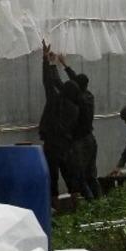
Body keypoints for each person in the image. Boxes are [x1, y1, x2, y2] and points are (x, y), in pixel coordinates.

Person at [39, 41, 82, 204]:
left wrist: (46, 61)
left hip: (52, 143)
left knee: (52, 174)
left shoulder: (55, 101)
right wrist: (54, 65)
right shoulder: (75, 107)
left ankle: (54, 204)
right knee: (69, 173)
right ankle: (76, 202)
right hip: (66, 143)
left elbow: (48, 83)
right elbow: (57, 84)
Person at [57, 53, 101, 199]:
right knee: (91, 175)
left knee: (80, 175)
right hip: (91, 139)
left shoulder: (76, 102)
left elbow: (61, 85)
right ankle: (100, 203)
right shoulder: (89, 96)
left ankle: (89, 203)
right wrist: (65, 64)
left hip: (80, 142)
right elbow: (75, 80)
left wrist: (51, 66)